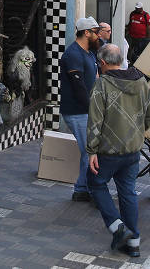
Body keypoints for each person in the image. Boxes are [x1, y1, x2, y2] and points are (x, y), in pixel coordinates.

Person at [86, 44, 150, 258]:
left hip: (108, 150)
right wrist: (136, 132)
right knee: (128, 192)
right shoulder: (141, 82)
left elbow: (95, 121)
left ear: (103, 63)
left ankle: (118, 228)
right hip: (133, 149)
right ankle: (133, 243)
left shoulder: (102, 84)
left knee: (95, 183)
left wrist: (91, 150)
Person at [60, 17, 101, 202]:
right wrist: (93, 110)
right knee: (90, 150)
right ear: (86, 33)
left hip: (85, 110)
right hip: (77, 111)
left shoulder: (89, 53)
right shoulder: (73, 54)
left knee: (90, 150)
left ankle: (84, 188)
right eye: (96, 32)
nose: (98, 36)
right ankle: (83, 189)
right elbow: (79, 88)